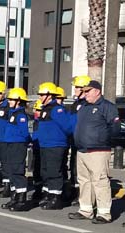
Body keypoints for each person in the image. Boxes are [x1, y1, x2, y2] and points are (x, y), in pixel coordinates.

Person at [68, 80, 120, 224]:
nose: (85, 94)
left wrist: (103, 139)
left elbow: (115, 128)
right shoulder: (83, 107)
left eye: (87, 91)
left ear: (97, 91)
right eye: (84, 91)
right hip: (82, 150)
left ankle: (104, 212)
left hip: (98, 150)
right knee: (84, 181)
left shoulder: (106, 106)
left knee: (100, 181)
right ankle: (86, 209)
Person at [34, 82, 71, 210]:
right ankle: (49, 194)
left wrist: (59, 138)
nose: (40, 97)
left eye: (42, 94)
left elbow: (67, 126)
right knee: (46, 171)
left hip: (55, 145)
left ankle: (56, 198)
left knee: (54, 171)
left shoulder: (57, 109)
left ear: (49, 95)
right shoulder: (45, 108)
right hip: (45, 145)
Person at [1, 88, 30, 211]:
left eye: (11, 99)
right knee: (11, 171)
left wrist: (24, 141)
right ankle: (14, 197)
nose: (9, 101)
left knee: (18, 171)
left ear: (18, 100)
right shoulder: (12, 113)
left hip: (18, 145)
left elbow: (24, 132)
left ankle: (21, 200)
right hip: (10, 144)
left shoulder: (21, 115)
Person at [68, 75, 91, 206]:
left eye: (77, 87)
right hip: (74, 141)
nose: (75, 89)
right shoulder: (75, 104)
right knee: (73, 168)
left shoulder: (86, 104)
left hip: (83, 142)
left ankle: (81, 195)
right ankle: (74, 191)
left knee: (82, 170)